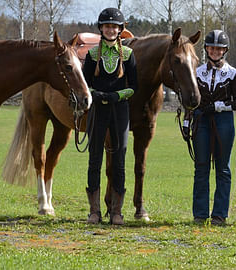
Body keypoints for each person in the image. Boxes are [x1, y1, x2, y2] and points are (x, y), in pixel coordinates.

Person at [83, 7, 138, 225]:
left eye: (114, 26)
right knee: (95, 157)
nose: (110, 29)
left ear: (120, 30)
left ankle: (117, 211)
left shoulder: (129, 55)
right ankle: (94, 211)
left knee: (120, 158)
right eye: (107, 26)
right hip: (97, 109)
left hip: (120, 110)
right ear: (101, 29)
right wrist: (96, 94)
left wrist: (116, 96)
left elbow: (134, 86)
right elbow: (85, 85)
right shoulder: (92, 54)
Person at [190, 30, 236, 225]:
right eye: (212, 48)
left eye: (218, 48)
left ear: (225, 50)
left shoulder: (232, 74)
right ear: (206, 49)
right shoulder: (197, 72)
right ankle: (200, 213)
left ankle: (220, 214)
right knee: (201, 166)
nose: (215, 51)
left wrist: (219, 105)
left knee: (223, 168)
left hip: (223, 121)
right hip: (202, 120)